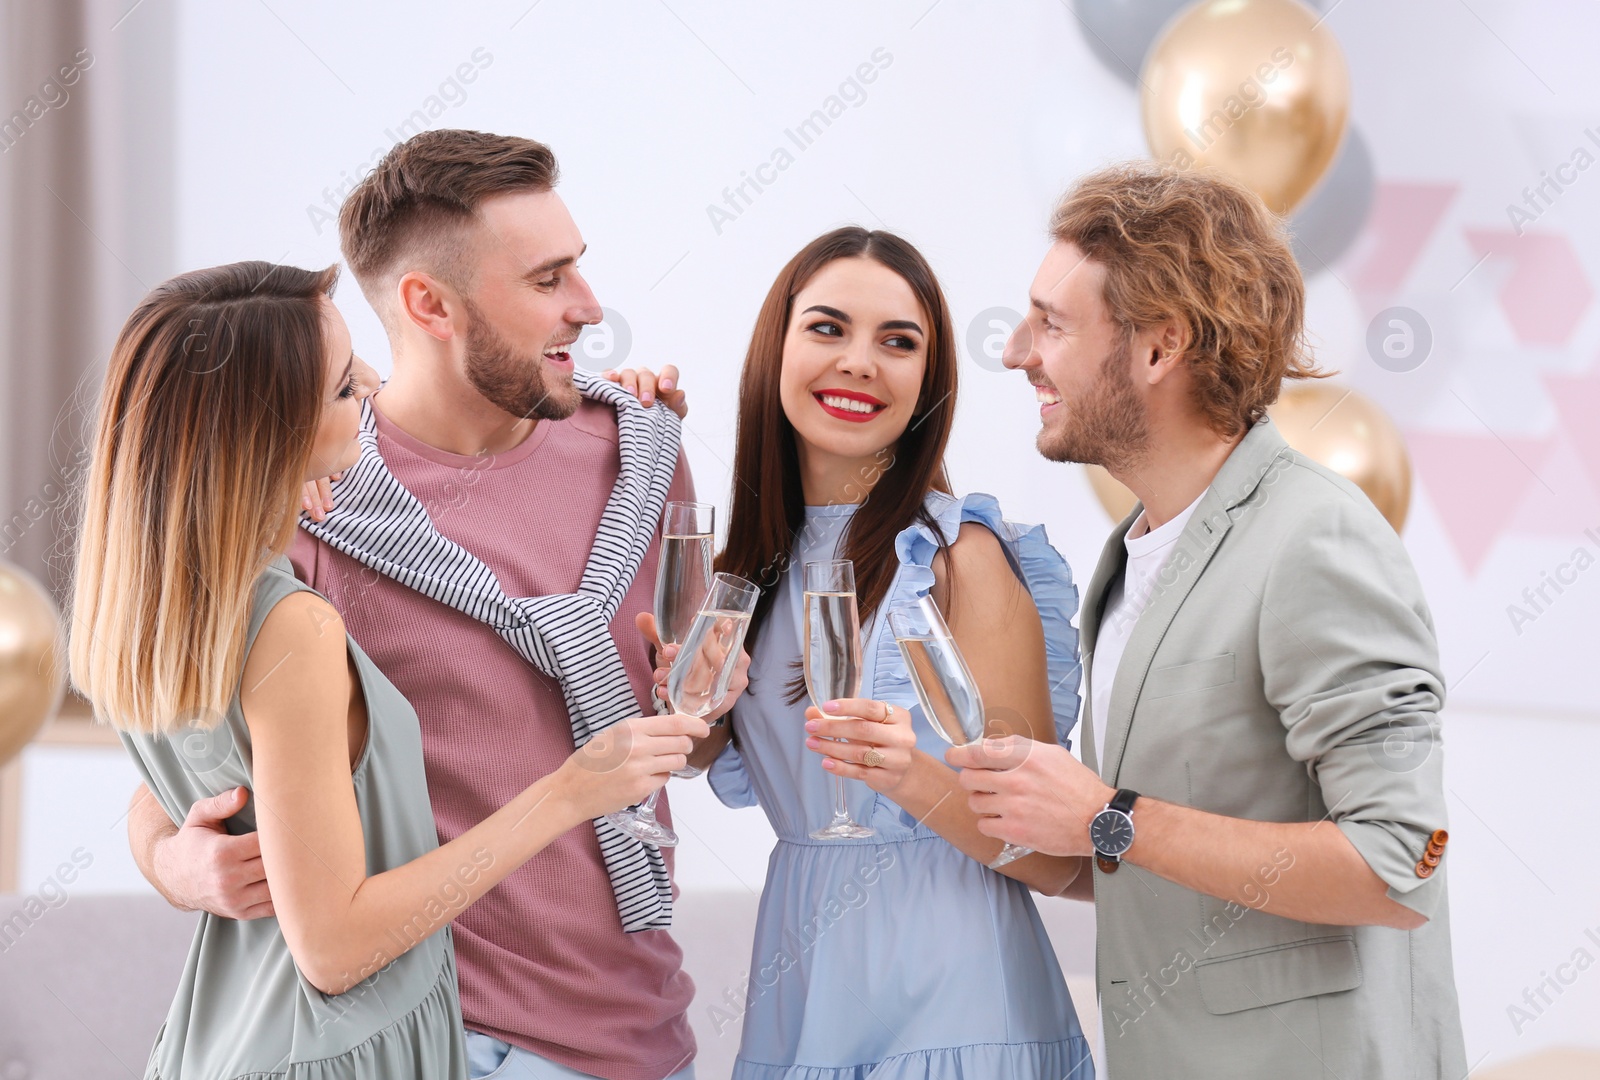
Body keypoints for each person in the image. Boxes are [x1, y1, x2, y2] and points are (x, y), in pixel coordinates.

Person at [122, 131, 727, 1080]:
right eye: (547, 279)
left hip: (647, 1030)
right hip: (446, 1036)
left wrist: (705, 709)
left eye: (580, 266)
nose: (589, 305)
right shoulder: (319, 498)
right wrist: (172, 862)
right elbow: (197, 768)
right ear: (428, 304)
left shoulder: (644, 456)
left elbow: (682, 742)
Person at [947, 163, 1468, 1078]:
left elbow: (1398, 863)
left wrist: (1109, 817)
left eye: (1053, 323)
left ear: (1158, 348)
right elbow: (1128, 863)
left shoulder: (1316, 538)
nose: (1016, 350)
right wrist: (919, 778)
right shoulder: (1131, 557)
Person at [635, 226, 1096, 1078]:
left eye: (898, 342)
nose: (858, 362)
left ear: (930, 382)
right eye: (827, 328)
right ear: (776, 346)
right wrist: (629, 423)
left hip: (961, 1002)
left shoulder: (961, 560)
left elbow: (1054, 857)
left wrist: (907, 776)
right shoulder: (749, 570)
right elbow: (709, 748)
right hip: (802, 997)